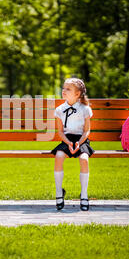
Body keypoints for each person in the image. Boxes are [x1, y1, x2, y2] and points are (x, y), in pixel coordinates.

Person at [51, 77, 95, 211]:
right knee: (58, 156)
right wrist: (69, 142)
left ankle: (84, 194)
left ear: (77, 94)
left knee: (84, 159)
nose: (64, 91)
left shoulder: (85, 109)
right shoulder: (59, 109)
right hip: (66, 139)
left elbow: (87, 130)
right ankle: (59, 193)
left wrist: (79, 143)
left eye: (68, 89)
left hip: (81, 139)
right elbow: (60, 131)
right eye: (63, 88)